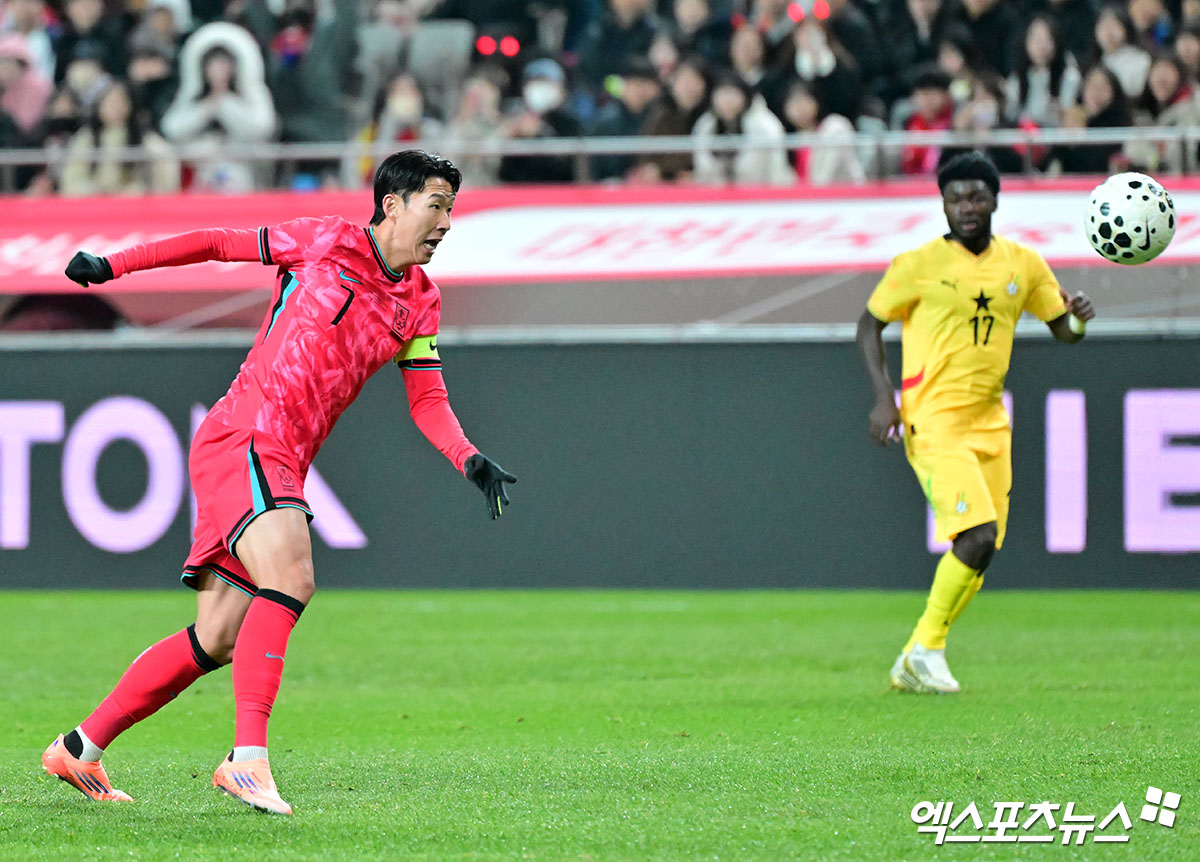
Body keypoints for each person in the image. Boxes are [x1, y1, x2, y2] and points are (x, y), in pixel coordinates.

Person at [42, 150, 517, 814]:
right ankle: (247, 761)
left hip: (285, 457)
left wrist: (468, 457)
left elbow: (427, 398)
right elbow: (215, 243)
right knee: (291, 577)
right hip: (246, 433)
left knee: (216, 638)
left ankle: (79, 747)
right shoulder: (323, 241)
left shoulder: (421, 302)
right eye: (436, 206)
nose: (444, 223)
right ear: (392, 205)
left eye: (451, 210)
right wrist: (114, 264)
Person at [855, 152, 1095, 695]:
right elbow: (869, 325)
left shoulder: (1022, 264)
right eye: (955, 198)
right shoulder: (918, 264)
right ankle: (925, 650)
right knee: (976, 533)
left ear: (994, 201)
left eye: (977, 197)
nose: (966, 207)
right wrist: (884, 396)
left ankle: (919, 655)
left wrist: (1078, 317)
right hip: (933, 419)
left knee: (984, 548)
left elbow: (1063, 329)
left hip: (990, 422)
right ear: (942, 204)